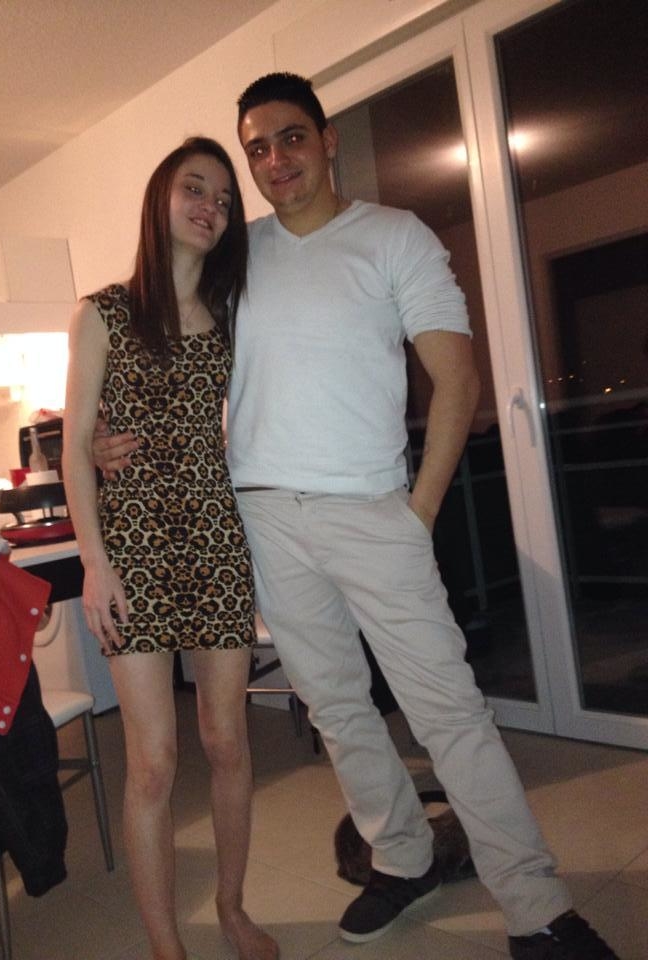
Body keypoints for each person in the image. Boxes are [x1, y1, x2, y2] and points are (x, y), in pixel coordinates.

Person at [94, 76, 620, 960]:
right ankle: (402, 856)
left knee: (448, 712)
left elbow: (457, 378)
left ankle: (537, 909)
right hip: (264, 518)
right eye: (256, 148)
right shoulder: (236, 258)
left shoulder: (394, 236)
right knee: (337, 707)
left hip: (373, 512)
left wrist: (418, 513)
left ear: (328, 139)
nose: (274, 160)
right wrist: (101, 434)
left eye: (291, 138)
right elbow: (162, 352)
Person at [62, 137, 278, 960]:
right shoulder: (103, 312)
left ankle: (231, 908)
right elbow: (74, 445)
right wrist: (94, 562)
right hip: (134, 551)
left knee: (226, 739)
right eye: (196, 188)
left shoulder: (232, 316)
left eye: (223, 199)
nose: (210, 207)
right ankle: (165, 946)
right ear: (161, 197)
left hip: (217, 541)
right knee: (152, 760)